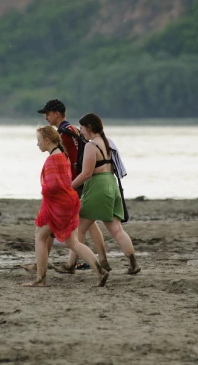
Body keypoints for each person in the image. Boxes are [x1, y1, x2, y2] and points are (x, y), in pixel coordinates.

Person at [26, 99, 112, 273]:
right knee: (88, 221)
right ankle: (101, 260)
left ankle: (44, 265)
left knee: (53, 228)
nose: (46, 118)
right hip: (78, 181)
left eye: (48, 114)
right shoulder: (73, 129)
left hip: (71, 184)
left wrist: (66, 186)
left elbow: (66, 160)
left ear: (57, 114)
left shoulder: (63, 134)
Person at [62, 113, 141, 275]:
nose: (81, 131)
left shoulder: (92, 146)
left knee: (79, 229)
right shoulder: (108, 143)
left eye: (82, 128)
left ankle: (71, 265)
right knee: (117, 230)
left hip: (98, 187)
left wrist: (69, 187)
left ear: (89, 127)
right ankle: (133, 264)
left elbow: (86, 174)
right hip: (111, 184)